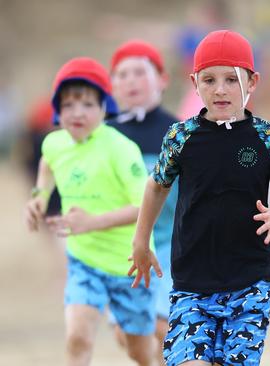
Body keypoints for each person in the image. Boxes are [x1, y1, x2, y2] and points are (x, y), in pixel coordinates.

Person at [129, 30, 270, 366]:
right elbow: (156, 186)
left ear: (252, 82)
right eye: (209, 80)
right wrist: (140, 240)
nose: (220, 89)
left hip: (250, 284)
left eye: (231, 80)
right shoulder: (181, 137)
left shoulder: (269, 137)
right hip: (191, 284)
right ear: (194, 83)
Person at [23, 57, 157, 365]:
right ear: (58, 110)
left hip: (130, 264)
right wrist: (39, 198)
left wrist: (91, 223)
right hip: (84, 262)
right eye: (68, 105)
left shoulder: (122, 149)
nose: (77, 113)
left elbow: (144, 207)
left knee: (139, 351)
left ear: (104, 107)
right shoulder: (54, 143)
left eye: (86, 104)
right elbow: (47, 165)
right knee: (77, 337)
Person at [107, 39, 178, 364]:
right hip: (120, 248)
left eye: (139, 72)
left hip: (169, 246)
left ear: (162, 80)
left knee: (163, 327)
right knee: (127, 336)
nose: (131, 81)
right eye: (122, 74)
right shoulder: (103, 136)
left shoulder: (179, 133)